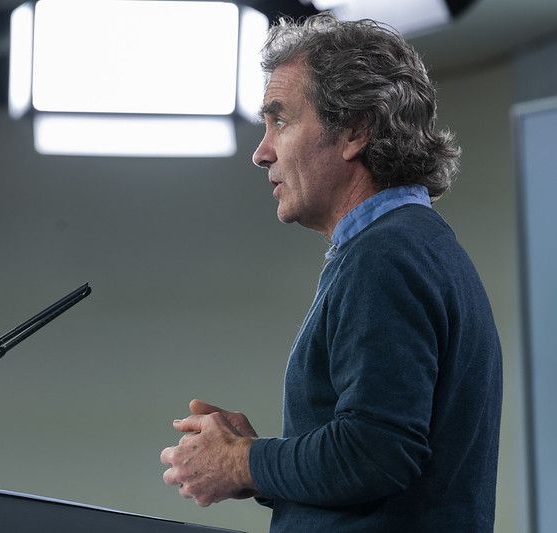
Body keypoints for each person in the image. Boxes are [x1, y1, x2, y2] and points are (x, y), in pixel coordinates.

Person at [160, 13, 502, 532]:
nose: (261, 153)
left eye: (281, 121)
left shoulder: (384, 256)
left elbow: (375, 453)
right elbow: (376, 462)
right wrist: (257, 465)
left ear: (355, 131)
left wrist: (242, 461)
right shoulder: (412, 245)